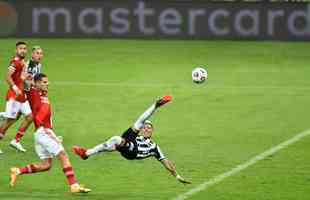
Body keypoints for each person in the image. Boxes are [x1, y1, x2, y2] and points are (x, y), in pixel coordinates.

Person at [72, 95, 191, 185]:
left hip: (134, 153)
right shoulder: (137, 136)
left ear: (152, 131)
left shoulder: (154, 146)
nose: (147, 129)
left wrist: (177, 176)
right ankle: (86, 153)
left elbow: (166, 162)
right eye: (145, 127)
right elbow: (113, 147)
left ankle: (87, 153)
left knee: (118, 138)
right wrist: (106, 148)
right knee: (126, 132)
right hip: (130, 145)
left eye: (149, 127)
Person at [10, 73, 91, 193]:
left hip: (41, 133)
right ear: (37, 83)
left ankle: (17, 171)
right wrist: (26, 80)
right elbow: (26, 87)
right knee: (63, 154)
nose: (47, 84)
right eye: (44, 82)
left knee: (46, 165)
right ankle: (74, 185)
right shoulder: (33, 93)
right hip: (43, 131)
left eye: (47, 82)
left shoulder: (43, 94)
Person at [9, 46, 44, 152]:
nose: (39, 55)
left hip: (31, 93)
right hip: (24, 94)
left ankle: (16, 139)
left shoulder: (38, 65)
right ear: (32, 54)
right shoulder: (27, 65)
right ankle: (17, 140)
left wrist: (39, 88)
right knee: (32, 117)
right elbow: (23, 79)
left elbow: (34, 80)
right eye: (37, 53)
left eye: (41, 53)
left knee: (16, 117)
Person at [0, 41, 32, 154]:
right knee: (10, 121)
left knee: (30, 116)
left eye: (24, 48)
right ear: (16, 50)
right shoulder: (15, 62)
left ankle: (16, 141)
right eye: (20, 48)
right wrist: (15, 88)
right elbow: (7, 77)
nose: (23, 50)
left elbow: (21, 78)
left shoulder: (23, 62)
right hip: (14, 96)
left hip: (22, 96)